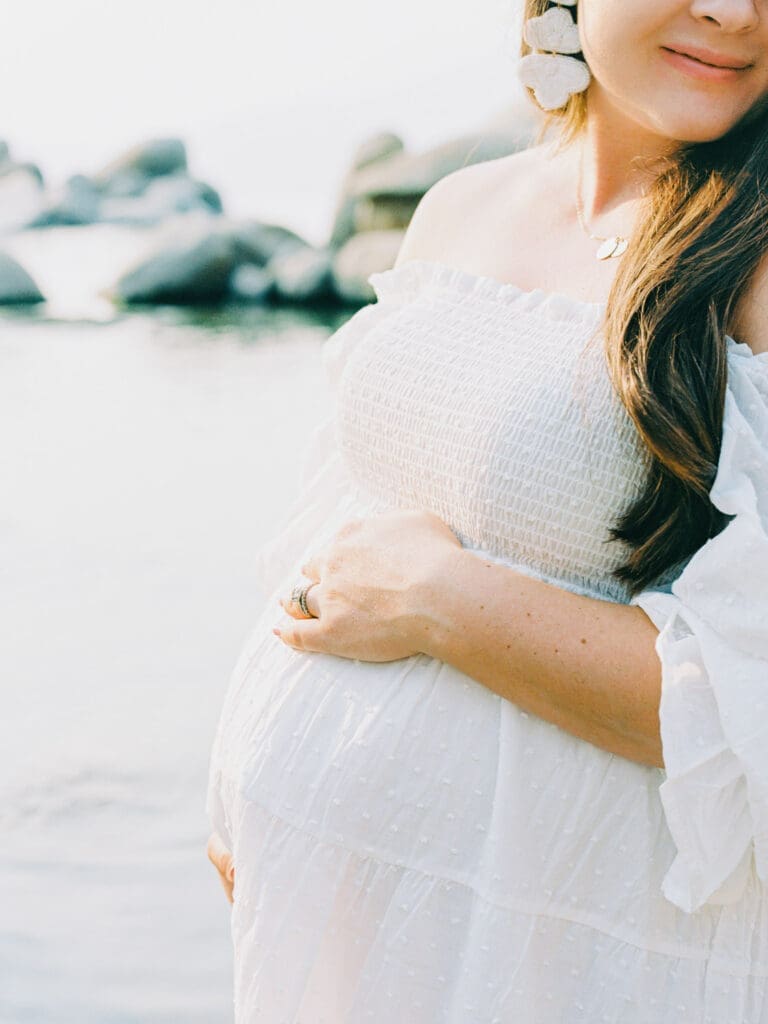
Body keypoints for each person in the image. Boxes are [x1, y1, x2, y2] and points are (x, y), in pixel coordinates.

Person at [207, 0, 768, 1019]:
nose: (734, 12)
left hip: (566, 948)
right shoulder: (462, 207)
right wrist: (240, 771)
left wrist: (442, 598)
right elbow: (343, 519)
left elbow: (747, 700)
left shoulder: (756, 269)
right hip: (346, 912)